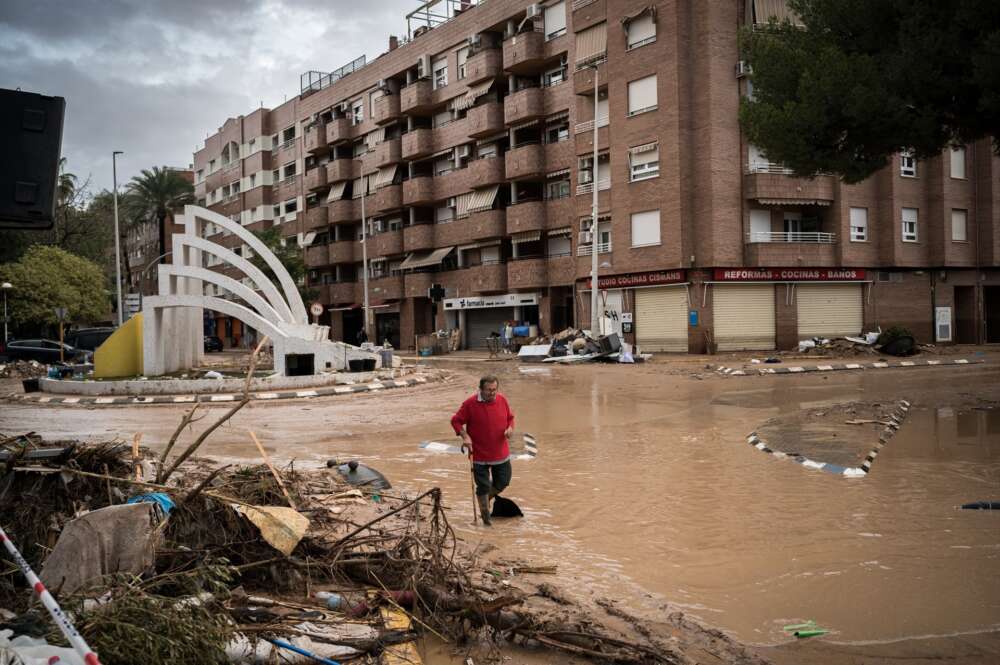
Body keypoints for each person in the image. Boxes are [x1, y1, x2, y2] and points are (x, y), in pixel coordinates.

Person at [451, 375, 514, 525]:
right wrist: (465, 436)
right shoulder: (470, 404)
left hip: (500, 452)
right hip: (479, 454)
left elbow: (510, 418)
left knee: (504, 481)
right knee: (484, 486)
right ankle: (486, 520)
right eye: (488, 390)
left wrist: (510, 428)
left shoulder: (502, 399)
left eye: (494, 390)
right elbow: (456, 421)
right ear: (481, 389)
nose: (492, 393)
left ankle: (484, 499)